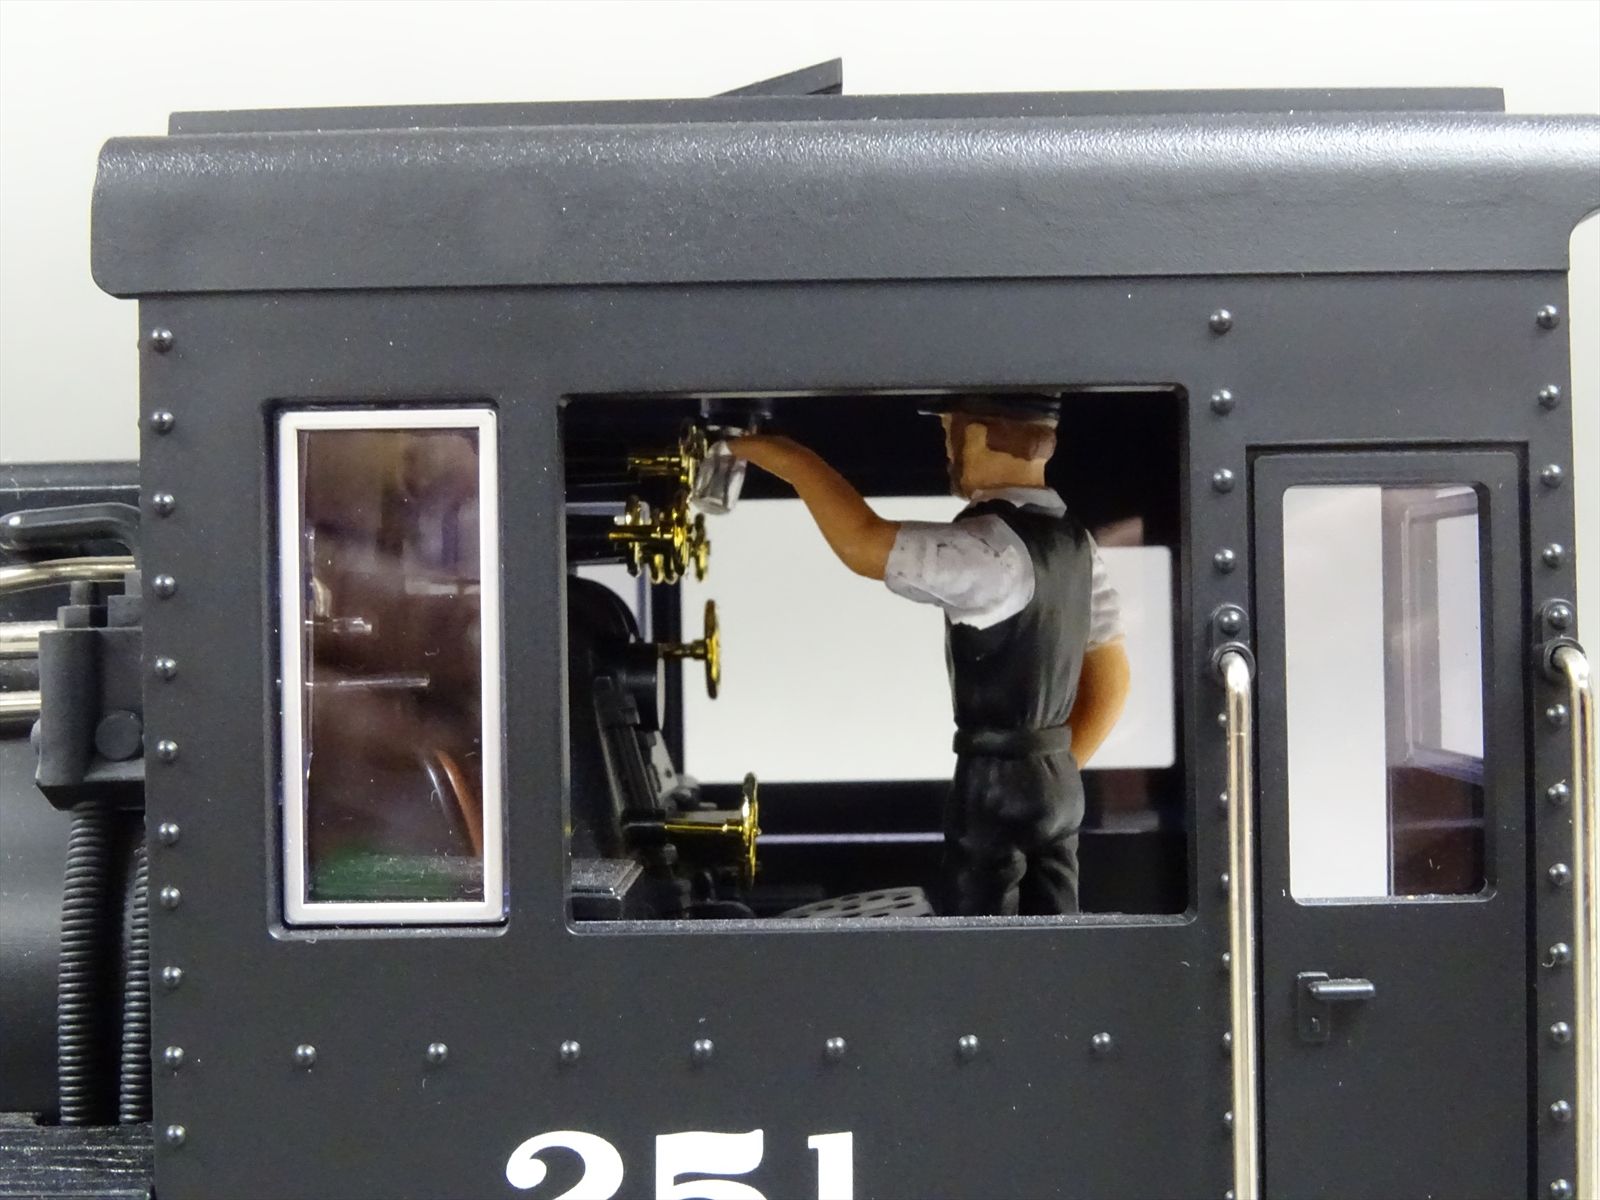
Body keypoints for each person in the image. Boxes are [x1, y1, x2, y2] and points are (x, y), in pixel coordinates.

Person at [728, 395, 1130, 915]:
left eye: (948, 432)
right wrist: (1056, 768)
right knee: (1057, 914)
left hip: (994, 781)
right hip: (1057, 784)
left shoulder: (991, 549)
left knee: (978, 916)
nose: (947, 450)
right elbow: (1112, 671)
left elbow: (863, 544)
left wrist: (788, 457)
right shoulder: (1076, 541)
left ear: (978, 436)